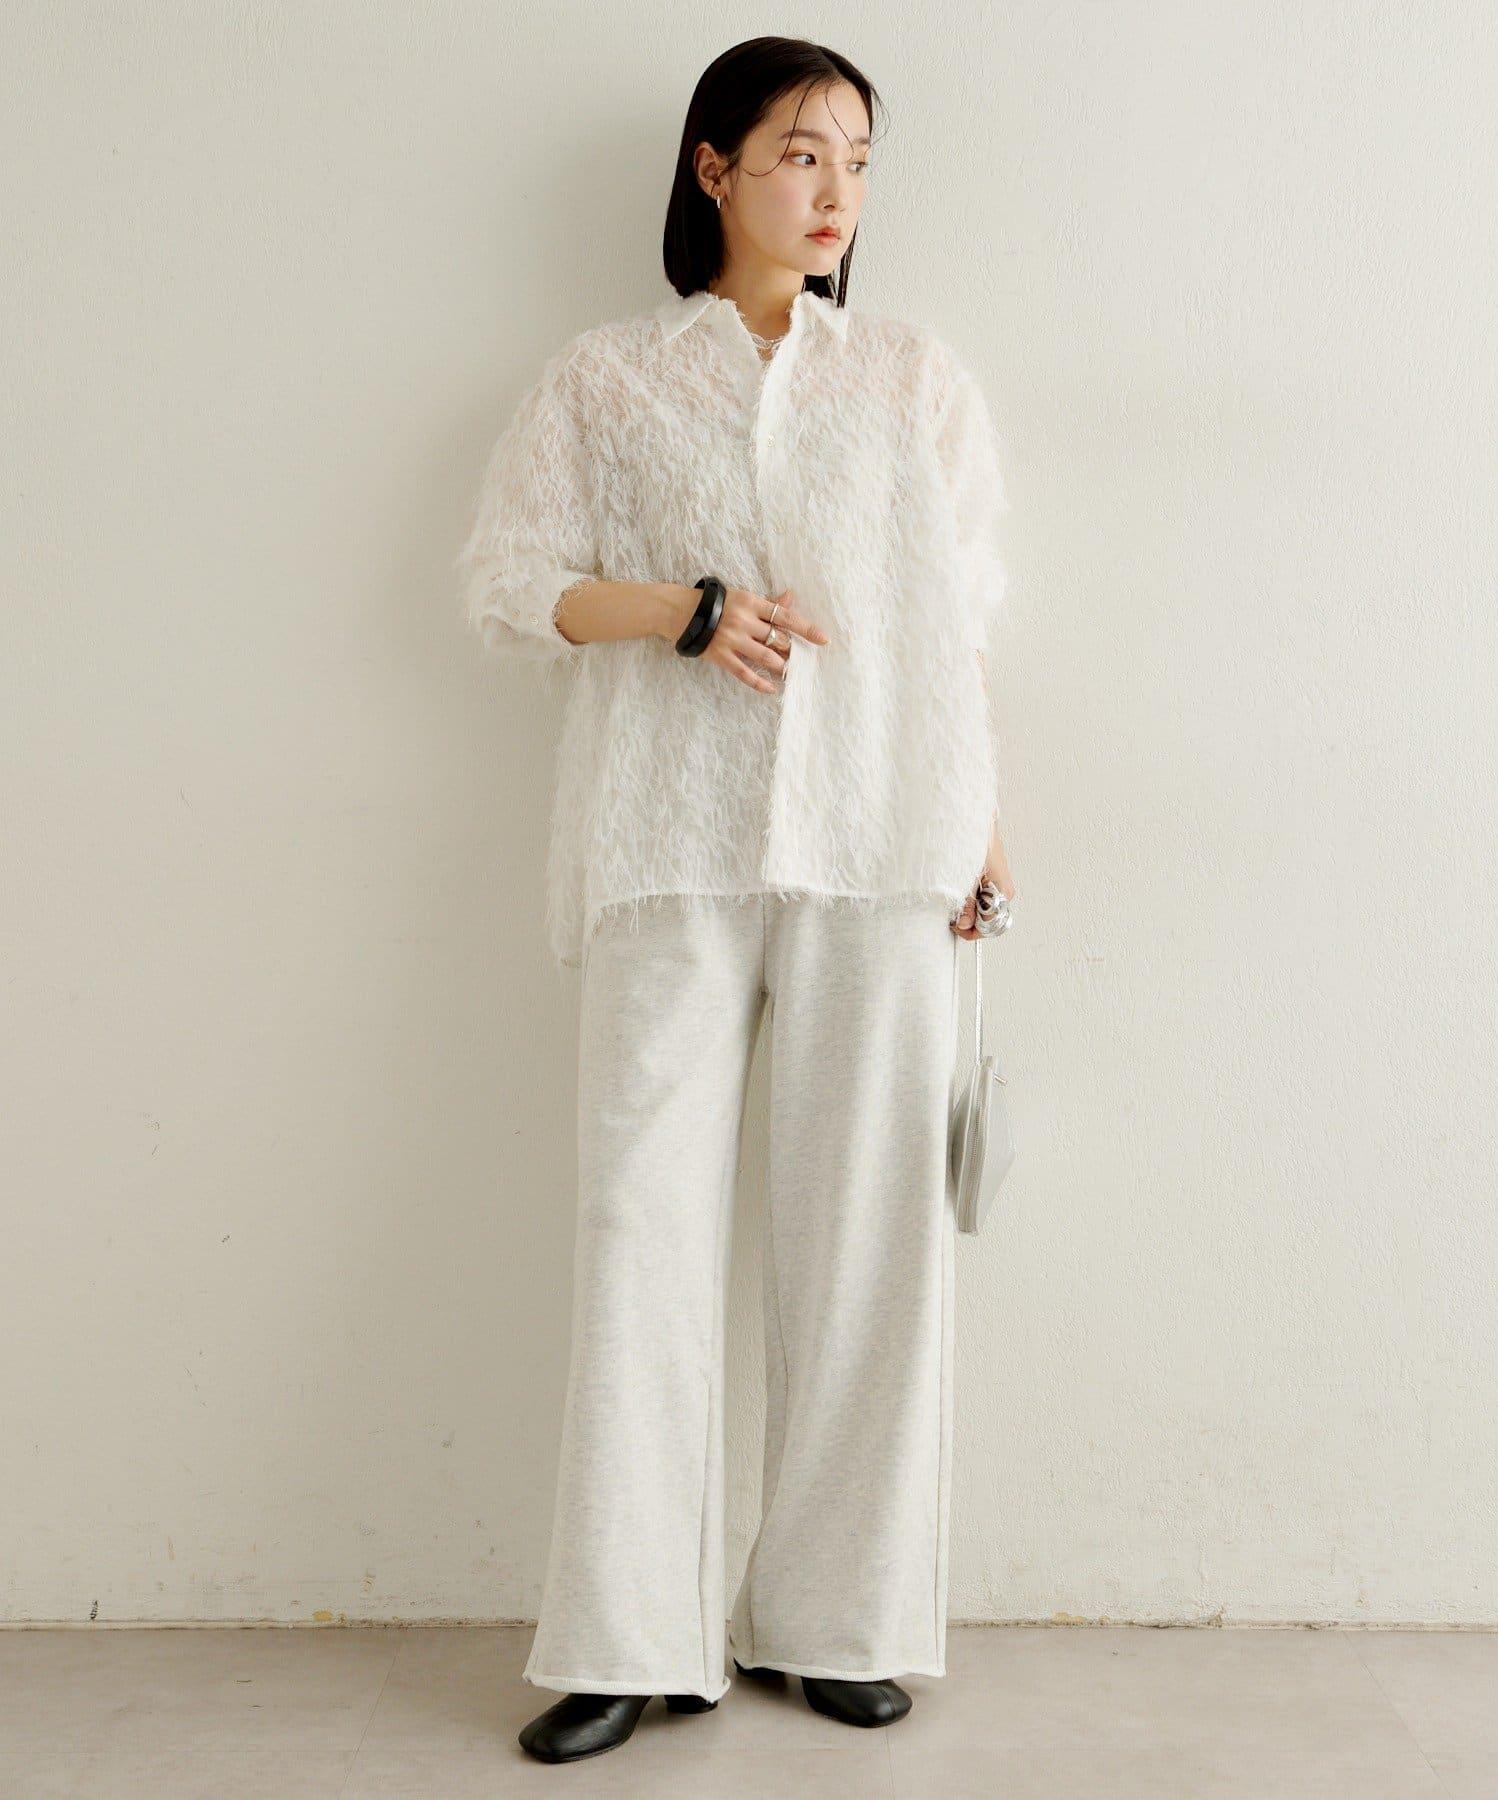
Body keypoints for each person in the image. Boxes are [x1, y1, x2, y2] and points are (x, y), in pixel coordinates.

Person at [455, 36, 1018, 1767]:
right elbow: (507, 584)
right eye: (799, 152)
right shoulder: (606, 379)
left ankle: (836, 1622)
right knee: (640, 1236)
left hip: (880, 839)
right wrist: (682, 612)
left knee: (868, 1247)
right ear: (713, 168)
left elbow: (960, 625)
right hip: (667, 842)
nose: (835, 190)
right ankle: (628, 1636)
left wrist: (984, 832)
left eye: (857, 159)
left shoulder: (912, 378)